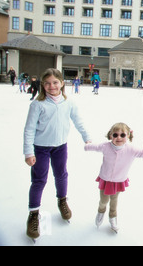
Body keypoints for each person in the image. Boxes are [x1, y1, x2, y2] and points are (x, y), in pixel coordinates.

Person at [23, 68, 91, 242]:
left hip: (60, 146)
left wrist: (87, 138)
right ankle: (33, 214)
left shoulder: (68, 103)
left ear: (62, 83)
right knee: (39, 180)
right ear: (43, 85)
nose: (51, 86)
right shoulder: (38, 104)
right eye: (47, 83)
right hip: (41, 148)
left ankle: (62, 200)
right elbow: (29, 129)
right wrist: (28, 152)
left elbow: (78, 121)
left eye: (55, 82)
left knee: (61, 175)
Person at [84, 122, 143, 233]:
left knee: (114, 200)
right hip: (106, 179)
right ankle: (101, 211)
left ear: (128, 136)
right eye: (115, 135)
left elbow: (141, 153)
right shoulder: (105, 146)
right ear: (110, 135)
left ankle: (113, 216)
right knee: (104, 200)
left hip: (119, 180)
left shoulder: (131, 149)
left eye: (122, 135)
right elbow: (96, 147)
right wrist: (87, 145)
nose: (119, 138)